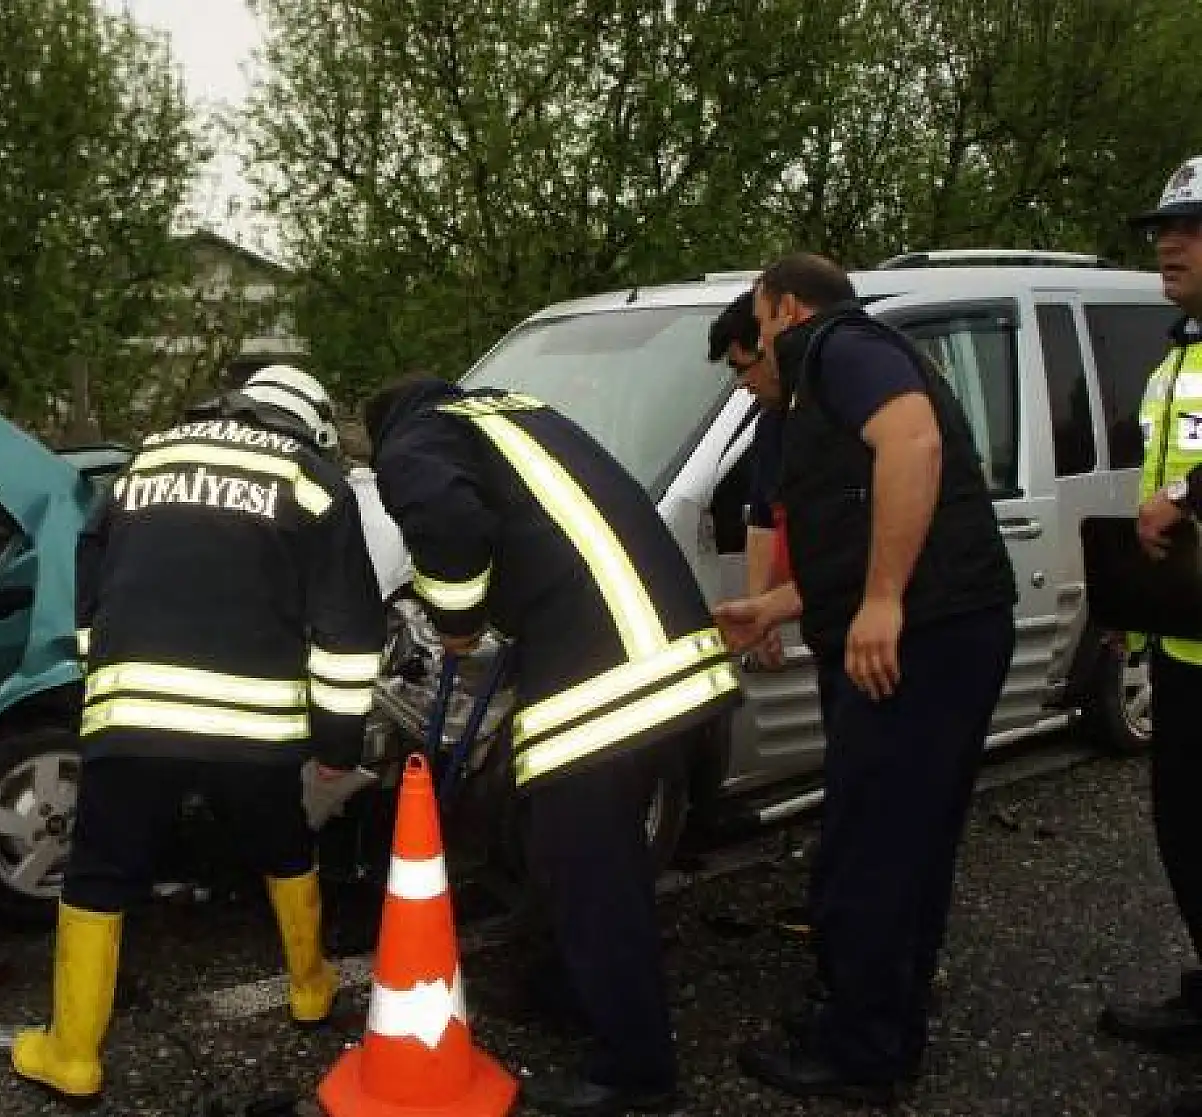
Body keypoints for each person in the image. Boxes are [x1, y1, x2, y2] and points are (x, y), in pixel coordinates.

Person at [363, 376, 742, 1115]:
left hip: (610, 672)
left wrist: (459, 617)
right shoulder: (515, 416)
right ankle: (571, 988)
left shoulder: (412, 440)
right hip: (663, 647)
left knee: (586, 864)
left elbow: (448, 520)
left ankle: (635, 1071)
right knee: (573, 849)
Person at [10, 365, 387, 1106]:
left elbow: (91, 584)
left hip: (135, 714)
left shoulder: (146, 458)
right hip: (255, 726)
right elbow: (346, 632)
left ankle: (74, 1053)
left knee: (99, 869)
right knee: (283, 842)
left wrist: (106, 682)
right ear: (307, 422)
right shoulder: (312, 479)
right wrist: (338, 746)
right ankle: (311, 987)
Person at [711, 253, 1017, 1103]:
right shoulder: (836, 371)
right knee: (900, 840)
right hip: (950, 628)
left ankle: (864, 1051)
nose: (762, 337)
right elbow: (862, 526)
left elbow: (912, 440)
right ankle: (875, 1017)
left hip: (929, 636)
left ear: (783, 305)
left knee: (871, 845)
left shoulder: (838, 344)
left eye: (762, 317)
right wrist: (775, 605)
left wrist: (883, 603)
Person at [1097, 155, 1202, 1116]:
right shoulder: (1177, 356)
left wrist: (1186, 496)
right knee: (1182, 832)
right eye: (1164, 227)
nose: (1168, 243)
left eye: (1192, 227)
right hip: (1181, 646)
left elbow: (1178, 496)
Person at [707, 289, 787, 668]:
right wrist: (760, 609)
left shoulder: (835, 412)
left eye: (742, 367)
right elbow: (763, 517)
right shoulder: (772, 421)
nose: (741, 383)